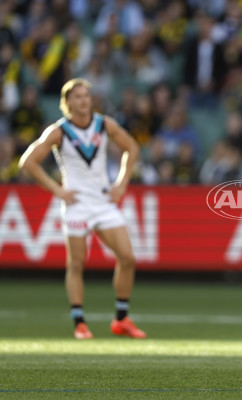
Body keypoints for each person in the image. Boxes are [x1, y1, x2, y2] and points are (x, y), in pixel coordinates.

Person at [19, 78, 146, 340]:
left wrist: (121, 183)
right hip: (76, 205)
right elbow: (28, 162)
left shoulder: (103, 124)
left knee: (127, 258)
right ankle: (79, 322)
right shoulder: (59, 131)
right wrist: (57, 190)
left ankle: (121, 319)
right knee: (76, 264)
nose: (84, 100)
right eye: (77, 96)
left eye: (86, 95)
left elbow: (131, 148)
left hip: (102, 202)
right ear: (67, 103)